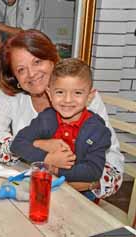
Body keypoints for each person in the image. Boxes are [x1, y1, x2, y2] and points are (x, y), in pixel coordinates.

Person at [0, 29, 124, 199]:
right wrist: (41, 146)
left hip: (79, 194)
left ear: (52, 60)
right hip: (30, 187)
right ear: (15, 77)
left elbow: (112, 160)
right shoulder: (11, 95)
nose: (32, 73)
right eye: (21, 70)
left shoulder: (82, 97)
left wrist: (82, 180)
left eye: (37, 61)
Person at [11, 58, 111, 200]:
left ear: (89, 96)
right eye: (60, 92)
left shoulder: (98, 130)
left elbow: (93, 171)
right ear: (49, 94)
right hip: (43, 187)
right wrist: (47, 158)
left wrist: (55, 169)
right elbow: (17, 144)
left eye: (77, 93)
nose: (68, 100)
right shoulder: (46, 119)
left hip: (80, 196)